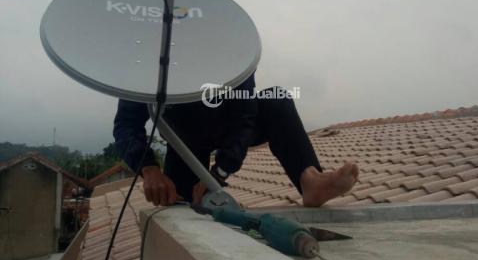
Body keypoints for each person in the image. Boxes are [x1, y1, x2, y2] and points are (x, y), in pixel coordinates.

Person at [113, 72, 359, 207]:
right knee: (180, 208)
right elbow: (127, 124)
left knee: (276, 99)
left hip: (228, 127)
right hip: (184, 143)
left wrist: (219, 173)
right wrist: (149, 169)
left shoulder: (232, 45)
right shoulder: (150, 58)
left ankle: (310, 181)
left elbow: (244, 116)